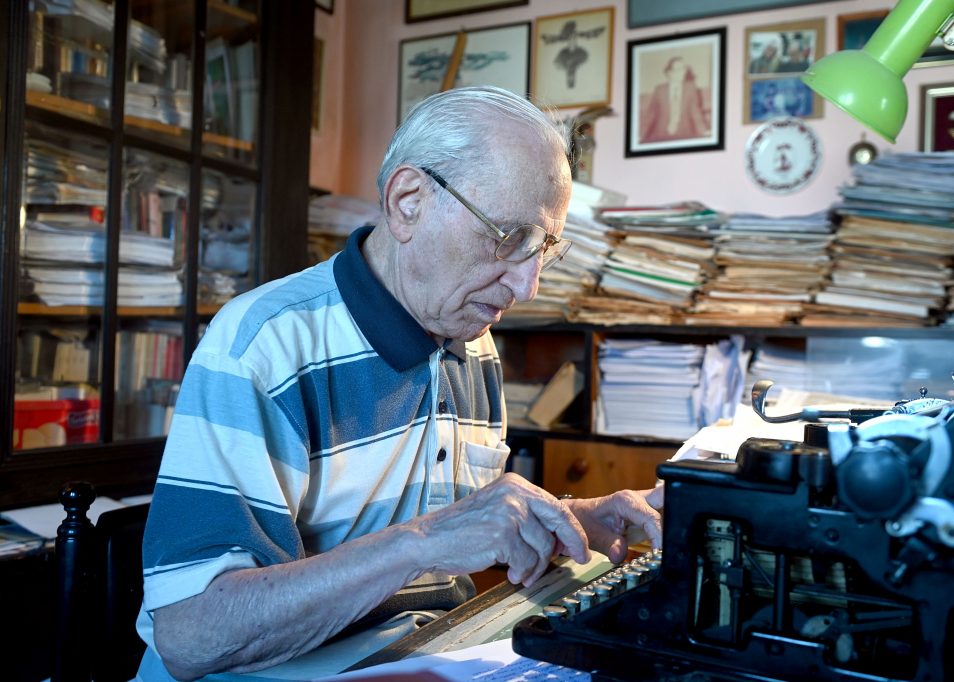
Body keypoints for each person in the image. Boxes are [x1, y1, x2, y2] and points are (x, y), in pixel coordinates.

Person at [135, 85, 663, 680]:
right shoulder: (264, 346)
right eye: (508, 238)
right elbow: (191, 636)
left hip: (425, 653)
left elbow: (456, 528)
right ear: (408, 201)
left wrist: (570, 520)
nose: (527, 287)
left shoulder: (471, 336)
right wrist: (422, 541)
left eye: (543, 249)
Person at [640, 57, 709, 143]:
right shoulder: (659, 90)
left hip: (685, 134)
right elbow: (651, 115)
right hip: (660, 134)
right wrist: (640, 135)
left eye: (684, 69)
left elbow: (695, 113)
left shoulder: (690, 88)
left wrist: (704, 132)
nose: (683, 72)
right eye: (679, 69)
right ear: (670, 73)